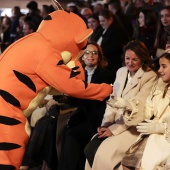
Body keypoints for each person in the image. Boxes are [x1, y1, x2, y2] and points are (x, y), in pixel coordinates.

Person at [0, 8, 112, 169]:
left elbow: (54, 85)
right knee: (6, 161)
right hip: (6, 111)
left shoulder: (33, 41)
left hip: (7, 108)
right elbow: (73, 86)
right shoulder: (44, 51)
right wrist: (107, 90)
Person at [84, 40, 158, 170]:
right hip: (114, 123)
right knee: (90, 147)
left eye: (135, 59)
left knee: (103, 155)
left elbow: (138, 110)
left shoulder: (149, 76)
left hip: (132, 127)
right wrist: (106, 124)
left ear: (142, 59)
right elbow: (112, 102)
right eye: (127, 58)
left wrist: (113, 130)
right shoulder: (121, 72)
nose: (130, 62)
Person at [57, 42, 114, 170]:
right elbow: (74, 99)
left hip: (96, 118)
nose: (91, 56)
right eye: (87, 53)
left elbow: (96, 100)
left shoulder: (106, 75)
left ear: (99, 57)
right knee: (63, 129)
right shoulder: (77, 74)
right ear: (82, 57)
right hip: (80, 115)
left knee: (72, 133)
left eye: (94, 53)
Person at [122, 50, 170, 170]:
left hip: (166, 140)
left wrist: (162, 128)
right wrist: (130, 107)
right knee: (126, 164)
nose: (159, 70)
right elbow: (148, 111)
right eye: (159, 66)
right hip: (152, 136)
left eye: (164, 66)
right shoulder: (158, 86)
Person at [97, 9, 130, 80]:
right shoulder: (104, 30)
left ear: (110, 19)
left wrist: (99, 53)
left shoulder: (117, 30)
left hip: (113, 64)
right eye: (100, 21)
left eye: (103, 21)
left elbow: (114, 47)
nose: (101, 23)